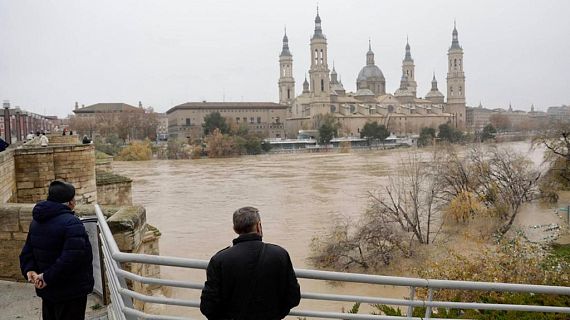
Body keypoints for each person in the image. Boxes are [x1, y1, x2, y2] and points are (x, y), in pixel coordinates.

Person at [200, 206, 300, 320]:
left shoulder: (219, 260)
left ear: (235, 229)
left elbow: (207, 307)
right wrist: (276, 314)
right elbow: (293, 297)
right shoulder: (280, 254)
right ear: (258, 226)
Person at [19, 180, 94, 320]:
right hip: (70, 291)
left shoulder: (36, 221)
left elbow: (27, 251)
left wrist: (30, 271)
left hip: (47, 290)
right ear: (70, 202)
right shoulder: (72, 223)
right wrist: (46, 277)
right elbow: (71, 258)